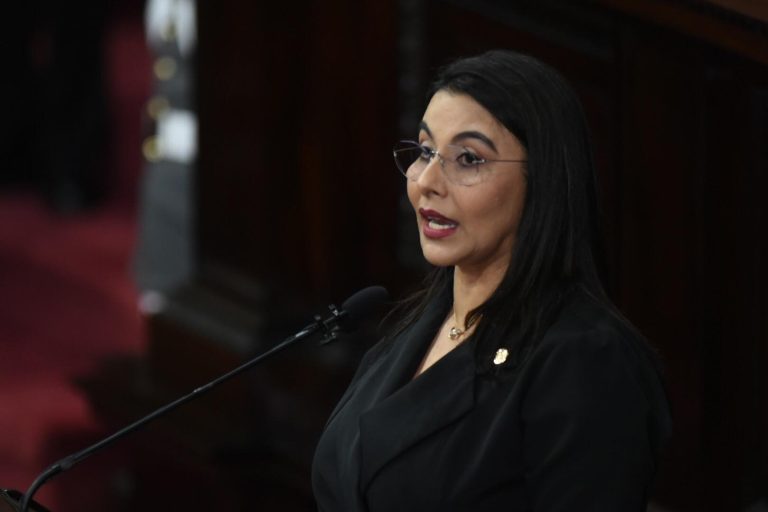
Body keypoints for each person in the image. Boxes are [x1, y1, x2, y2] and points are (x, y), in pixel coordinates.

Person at [312, 49, 672, 511]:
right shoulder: (422, 324)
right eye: (424, 151)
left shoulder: (587, 361)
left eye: (468, 159)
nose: (427, 181)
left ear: (543, 178)